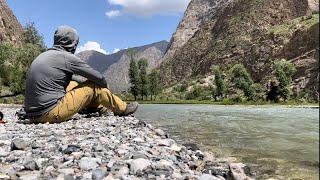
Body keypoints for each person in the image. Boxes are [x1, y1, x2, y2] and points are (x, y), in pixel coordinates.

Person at [24, 25, 138, 123]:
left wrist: (81, 85)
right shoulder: (67, 57)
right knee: (94, 87)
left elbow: (70, 78)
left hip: (31, 114)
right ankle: (122, 108)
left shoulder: (44, 55)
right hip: (49, 113)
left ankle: (95, 108)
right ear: (72, 43)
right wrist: (102, 88)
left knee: (73, 83)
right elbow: (100, 78)